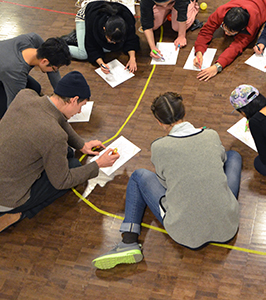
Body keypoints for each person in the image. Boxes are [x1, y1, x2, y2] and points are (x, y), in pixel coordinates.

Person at [92, 92, 242, 269]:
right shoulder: (211, 134)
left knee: (138, 176)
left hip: (186, 235)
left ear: (159, 121)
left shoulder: (159, 146)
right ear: (184, 113)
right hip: (227, 227)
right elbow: (221, 159)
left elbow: (165, 184)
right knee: (233, 156)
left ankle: (129, 240)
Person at [0, 71, 121, 237]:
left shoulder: (26, 95)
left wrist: (82, 145)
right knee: (72, 167)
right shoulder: (53, 134)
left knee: (65, 153)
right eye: (82, 105)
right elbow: (62, 180)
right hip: (7, 196)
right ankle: (15, 214)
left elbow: (57, 118)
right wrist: (99, 164)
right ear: (73, 100)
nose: (80, 111)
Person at [0, 33, 71, 118]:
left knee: (35, 89)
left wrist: (61, 94)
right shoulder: (15, 72)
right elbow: (14, 107)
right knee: (8, 113)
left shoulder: (33, 40)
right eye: (55, 68)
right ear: (44, 61)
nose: (55, 71)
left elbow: (52, 72)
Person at [139, 0, 203, 58]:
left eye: (167, 3)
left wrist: (181, 36)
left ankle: (193, 5)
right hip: (168, 1)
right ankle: (168, 9)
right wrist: (153, 47)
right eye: (161, 4)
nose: (165, 6)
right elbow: (146, 22)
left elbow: (182, 10)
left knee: (177, 27)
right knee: (153, 25)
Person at [62, 0, 140, 73]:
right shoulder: (94, 22)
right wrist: (101, 63)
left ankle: (80, 37)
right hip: (85, 16)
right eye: (111, 40)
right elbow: (91, 46)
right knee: (83, 53)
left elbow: (131, 38)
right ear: (104, 29)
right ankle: (60, 46)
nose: (114, 43)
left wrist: (132, 58)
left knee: (111, 48)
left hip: (100, 15)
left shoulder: (127, 20)